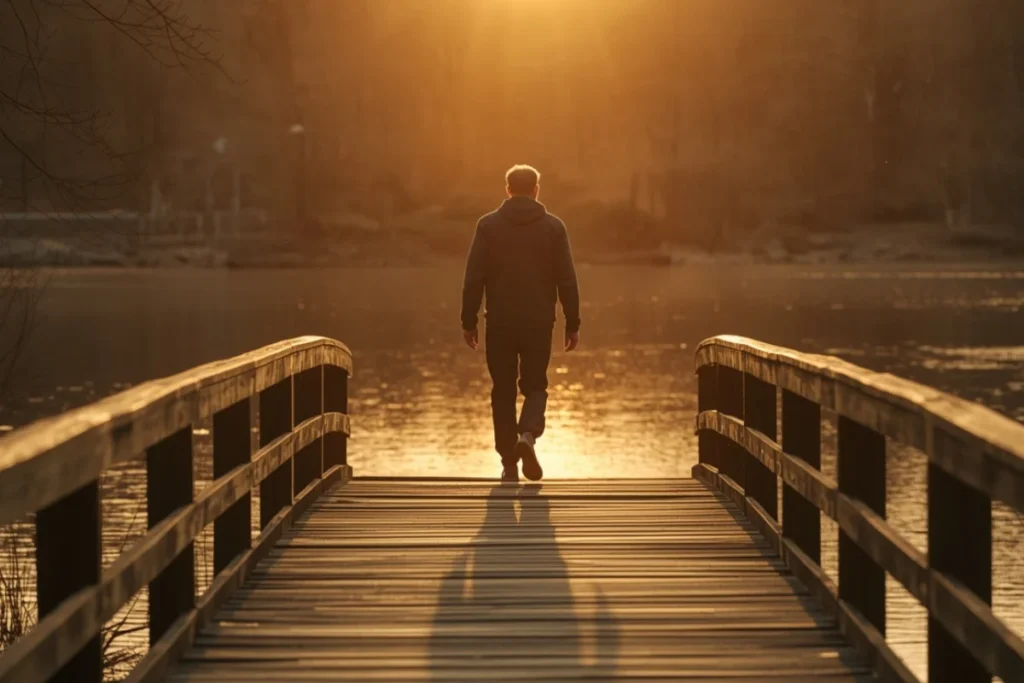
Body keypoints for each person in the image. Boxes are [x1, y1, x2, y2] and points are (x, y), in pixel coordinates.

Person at [461, 164, 581, 482]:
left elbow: (474, 277)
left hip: (499, 322)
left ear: (508, 190)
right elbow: (567, 279)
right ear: (537, 190)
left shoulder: (487, 226)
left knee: (502, 390)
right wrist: (573, 322)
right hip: (539, 322)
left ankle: (509, 463)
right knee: (535, 385)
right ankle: (527, 435)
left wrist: (468, 320)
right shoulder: (554, 228)